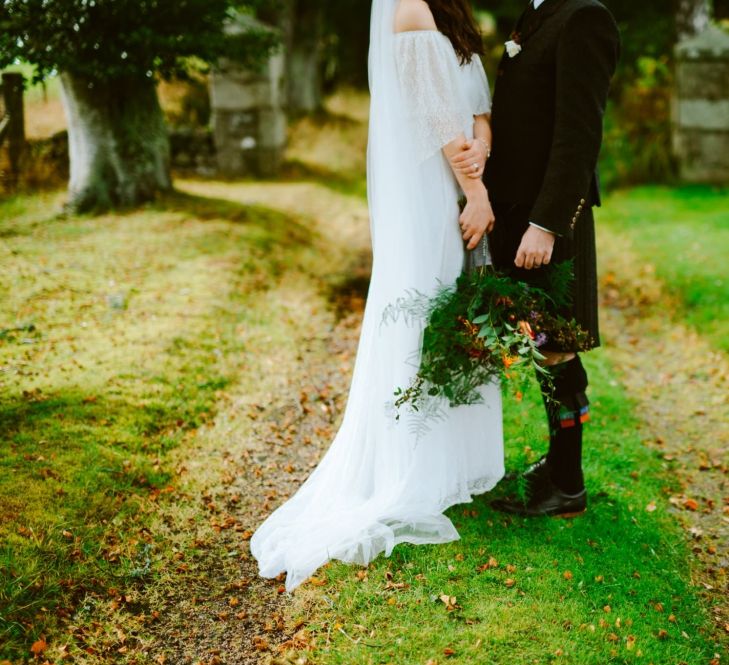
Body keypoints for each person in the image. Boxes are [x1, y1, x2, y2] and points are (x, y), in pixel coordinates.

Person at [250, 0, 504, 591]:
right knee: (425, 316)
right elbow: (437, 117)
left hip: (466, 177)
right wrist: (475, 192)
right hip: (435, 196)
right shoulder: (409, 10)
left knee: (453, 320)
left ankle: (452, 466)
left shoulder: (450, 12)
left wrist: (483, 148)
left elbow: (476, 106)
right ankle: (408, 468)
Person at [458, 0, 620, 517]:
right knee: (542, 342)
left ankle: (567, 485)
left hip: (547, 221)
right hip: (518, 212)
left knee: (557, 348)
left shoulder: (583, 16)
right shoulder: (536, 14)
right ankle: (557, 469)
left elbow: (579, 133)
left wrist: (548, 224)